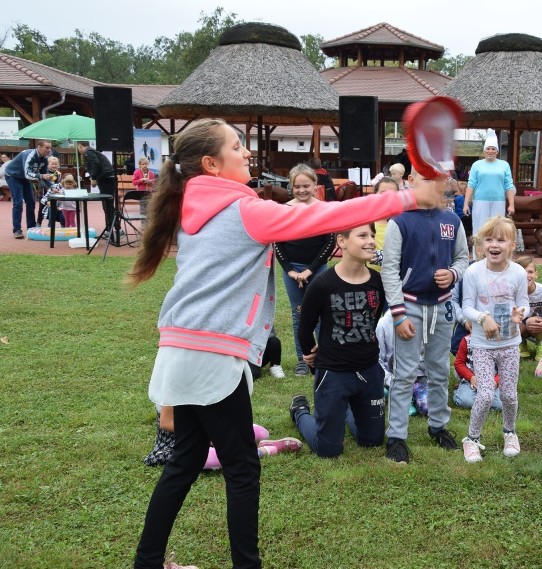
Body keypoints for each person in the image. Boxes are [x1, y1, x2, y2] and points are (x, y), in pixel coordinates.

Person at [127, 118, 443, 569]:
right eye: (237, 147)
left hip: (180, 350)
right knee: (241, 468)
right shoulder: (242, 210)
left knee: (187, 458)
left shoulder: (192, 205)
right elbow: (321, 215)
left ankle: (148, 562)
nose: (246, 152)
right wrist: (408, 197)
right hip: (212, 355)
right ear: (211, 164)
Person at [382, 168, 469, 464]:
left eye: (436, 179)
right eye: (424, 178)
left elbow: (463, 258)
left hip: (442, 307)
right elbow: (390, 269)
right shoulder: (400, 222)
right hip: (410, 306)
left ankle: (438, 426)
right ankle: (396, 436)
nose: (431, 184)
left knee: (439, 369)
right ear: (410, 182)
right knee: (405, 372)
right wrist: (397, 313)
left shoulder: (452, 220)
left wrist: (454, 273)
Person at [289, 223, 388, 458]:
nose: (371, 241)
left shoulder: (378, 281)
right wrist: (310, 355)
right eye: (362, 235)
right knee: (328, 449)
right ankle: (299, 410)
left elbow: (373, 321)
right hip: (333, 372)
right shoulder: (323, 283)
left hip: (369, 371)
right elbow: (305, 328)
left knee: (372, 441)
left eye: (372, 236)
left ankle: (345, 409)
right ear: (342, 241)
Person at [460, 216, 529, 462]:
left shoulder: (518, 273)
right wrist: (482, 317)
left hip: (510, 344)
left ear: (512, 245)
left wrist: (522, 313)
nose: (494, 245)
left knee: (509, 395)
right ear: (480, 246)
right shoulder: (473, 272)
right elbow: (466, 306)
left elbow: (524, 303)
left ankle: (510, 432)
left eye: (501, 239)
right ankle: (472, 439)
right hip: (482, 346)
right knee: (486, 394)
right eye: (489, 239)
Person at [274, 164, 335, 376]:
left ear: (315, 185)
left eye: (306, 186)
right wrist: (290, 270)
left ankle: (323, 357)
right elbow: (277, 242)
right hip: (292, 270)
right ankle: (303, 358)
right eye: (297, 186)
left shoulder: (322, 209)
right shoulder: (284, 210)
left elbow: (329, 243)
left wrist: (310, 270)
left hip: (317, 269)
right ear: (291, 186)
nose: (302, 190)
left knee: (321, 313)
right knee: (298, 314)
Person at [144, 405, 300, 469]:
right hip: (179, 442)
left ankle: (255, 442)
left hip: (209, 432)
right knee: (223, 457)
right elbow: (166, 423)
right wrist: (208, 434)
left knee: (260, 433)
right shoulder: (173, 378)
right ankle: (266, 450)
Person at [463, 129, 516, 245]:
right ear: (484, 150)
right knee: (479, 229)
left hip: (498, 201)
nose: (490, 151)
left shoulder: (504, 165)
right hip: (480, 201)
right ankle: (478, 258)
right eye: (488, 149)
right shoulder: (477, 165)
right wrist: (466, 203)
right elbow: (471, 184)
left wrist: (511, 205)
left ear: (497, 151)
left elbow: (509, 185)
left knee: (497, 229)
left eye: (493, 149)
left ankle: (495, 257)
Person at [5, 140, 52, 238]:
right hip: (13, 176)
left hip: (25, 178)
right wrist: (42, 176)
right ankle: (17, 230)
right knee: (18, 203)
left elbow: (45, 176)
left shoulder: (44, 159)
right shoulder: (29, 155)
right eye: (47, 148)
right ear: (39, 147)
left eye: (50, 148)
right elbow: (29, 174)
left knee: (31, 202)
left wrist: (52, 187)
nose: (49, 150)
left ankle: (31, 228)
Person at [78, 141, 121, 243]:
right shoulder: (92, 152)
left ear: (80, 146)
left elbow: (96, 163)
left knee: (108, 206)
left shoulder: (89, 152)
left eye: (78, 147)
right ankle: (111, 230)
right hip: (107, 179)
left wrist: (93, 177)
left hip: (107, 180)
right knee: (108, 206)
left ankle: (115, 231)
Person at [452, 332, 502, 412]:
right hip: (470, 381)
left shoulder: (500, 343)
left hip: (493, 382)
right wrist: (471, 377)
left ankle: (483, 402)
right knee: (465, 401)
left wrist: (495, 381)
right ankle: (460, 391)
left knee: (501, 405)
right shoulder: (467, 340)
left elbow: (504, 368)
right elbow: (459, 363)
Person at [516, 256, 542, 359]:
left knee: (531, 321)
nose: (526, 276)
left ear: (536, 274)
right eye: (522, 272)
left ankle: (540, 344)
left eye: (530, 272)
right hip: (520, 325)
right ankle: (521, 343)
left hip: (539, 326)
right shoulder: (512, 293)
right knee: (512, 321)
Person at [368, 176, 400, 270]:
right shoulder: (366, 221)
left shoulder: (402, 222)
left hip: (394, 277)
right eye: (383, 193)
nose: (387, 198)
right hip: (368, 276)